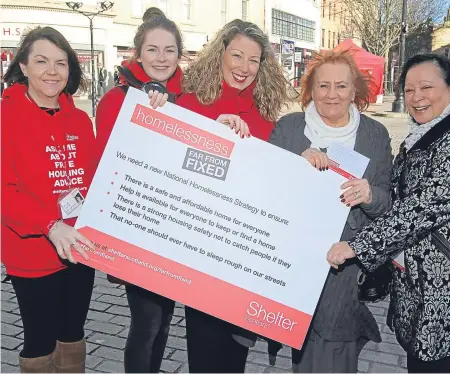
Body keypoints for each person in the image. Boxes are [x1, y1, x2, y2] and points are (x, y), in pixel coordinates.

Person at [327, 54, 450, 373]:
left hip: (445, 290)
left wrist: (358, 246)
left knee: (436, 366)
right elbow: (394, 188)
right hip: (418, 285)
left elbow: (422, 208)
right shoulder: (426, 133)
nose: (417, 97)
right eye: (409, 89)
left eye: (427, 87)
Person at [267, 49, 393, 373]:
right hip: (293, 266)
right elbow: (265, 191)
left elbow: (387, 204)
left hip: (344, 272)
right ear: (310, 89)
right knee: (302, 354)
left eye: (341, 86)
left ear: (355, 91)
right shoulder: (290, 129)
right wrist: (296, 166)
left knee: (335, 357)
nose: (332, 94)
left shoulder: (374, 135)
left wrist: (369, 194)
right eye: (323, 86)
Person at [178, 19, 290, 373]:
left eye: (254, 60)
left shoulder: (267, 114)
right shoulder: (190, 103)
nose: (244, 67)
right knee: (205, 350)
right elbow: (174, 168)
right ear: (220, 54)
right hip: (202, 247)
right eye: (237, 55)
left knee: (235, 355)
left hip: (244, 254)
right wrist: (213, 134)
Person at [1, 26, 96, 373]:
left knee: (73, 334)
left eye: (61, 63)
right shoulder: (5, 117)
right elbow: (4, 191)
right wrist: (50, 225)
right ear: (23, 66)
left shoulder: (81, 120)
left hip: (79, 247)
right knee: (39, 339)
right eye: (41, 61)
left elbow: (96, 177)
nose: (52, 72)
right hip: (32, 250)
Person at [95, 14, 183, 373]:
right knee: (146, 323)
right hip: (138, 226)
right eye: (152, 49)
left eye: (169, 50)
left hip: (175, 228)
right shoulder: (117, 100)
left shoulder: (187, 99)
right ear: (138, 53)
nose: (161, 58)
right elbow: (105, 165)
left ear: (180, 54)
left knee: (163, 323)